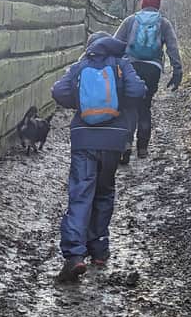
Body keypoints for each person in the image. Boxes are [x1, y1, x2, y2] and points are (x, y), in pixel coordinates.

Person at [51, 32, 147, 281]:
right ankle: (99, 250)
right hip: (114, 140)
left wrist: (81, 101)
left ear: (91, 46)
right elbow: (138, 90)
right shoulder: (121, 63)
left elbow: (58, 90)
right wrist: (119, 101)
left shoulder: (81, 65)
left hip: (83, 137)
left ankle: (74, 256)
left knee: (81, 193)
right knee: (104, 191)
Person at [114, 0, 183, 163]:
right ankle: (143, 147)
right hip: (153, 69)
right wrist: (177, 71)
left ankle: (126, 144)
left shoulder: (130, 21)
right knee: (145, 107)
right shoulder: (164, 23)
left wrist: (110, 67)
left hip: (130, 67)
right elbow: (173, 48)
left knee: (129, 107)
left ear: (142, 4)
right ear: (158, 6)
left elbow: (114, 43)